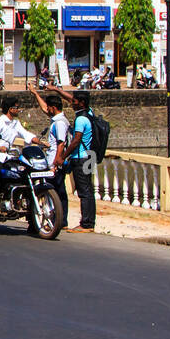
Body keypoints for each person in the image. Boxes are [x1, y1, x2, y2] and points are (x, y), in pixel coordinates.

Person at [0, 95, 43, 229]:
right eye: (16, 107)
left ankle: (32, 220)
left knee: (25, 177)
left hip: (9, 157)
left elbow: (26, 134)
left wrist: (39, 141)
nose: (18, 110)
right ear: (10, 109)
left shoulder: (15, 123)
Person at [31, 84, 71, 229]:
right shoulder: (58, 119)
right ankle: (60, 221)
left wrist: (55, 164)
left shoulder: (59, 123)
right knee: (57, 192)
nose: (47, 110)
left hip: (56, 163)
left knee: (55, 192)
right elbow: (44, 108)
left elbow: (61, 144)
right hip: (55, 161)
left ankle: (58, 221)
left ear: (53, 108)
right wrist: (35, 93)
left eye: (49, 108)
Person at [66, 90, 97, 233]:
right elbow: (70, 98)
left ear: (81, 103)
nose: (72, 103)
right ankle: (90, 222)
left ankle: (86, 224)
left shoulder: (80, 120)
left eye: (74, 101)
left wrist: (64, 156)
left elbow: (76, 140)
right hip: (91, 155)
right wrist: (56, 90)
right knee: (89, 191)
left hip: (81, 158)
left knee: (84, 192)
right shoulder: (90, 113)